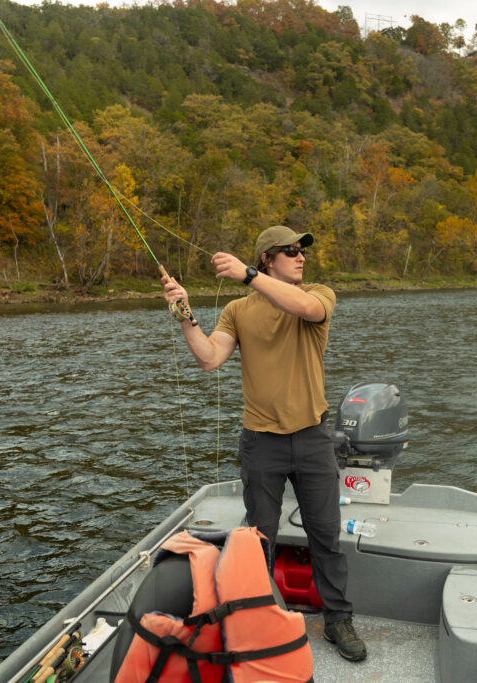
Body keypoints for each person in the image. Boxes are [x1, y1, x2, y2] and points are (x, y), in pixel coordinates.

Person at [161, 225, 367, 663]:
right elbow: (209, 358)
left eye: (302, 250)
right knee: (259, 540)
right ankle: (260, 618)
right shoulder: (237, 311)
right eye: (290, 251)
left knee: (325, 536)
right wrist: (184, 314)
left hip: (312, 438)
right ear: (268, 258)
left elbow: (306, 308)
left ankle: (338, 619)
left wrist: (248, 275)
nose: (301, 256)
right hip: (261, 442)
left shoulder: (318, 295)